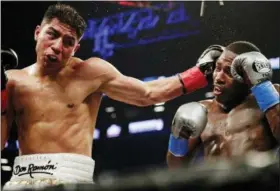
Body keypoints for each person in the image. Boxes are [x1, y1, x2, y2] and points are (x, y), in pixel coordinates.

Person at [1, 3, 224, 190]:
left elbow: (148, 94)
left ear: (76, 48)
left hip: (69, 177)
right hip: (22, 179)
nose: (58, 47)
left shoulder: (90, 72)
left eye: (68, 42)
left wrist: (198, 74)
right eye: (52, 34)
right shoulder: (11, 81)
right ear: (38, 32)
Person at [166, 41, 280, 168]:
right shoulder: (201, 112)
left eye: (228, 72)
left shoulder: (270, 97)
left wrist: (262, 86)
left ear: (247, 76)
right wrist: (178, 137)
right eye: (218, 68)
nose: (218, 78)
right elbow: (175, 167)